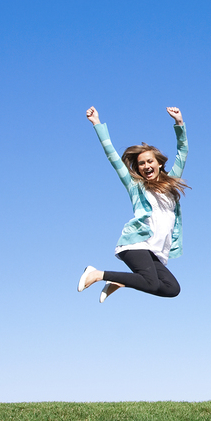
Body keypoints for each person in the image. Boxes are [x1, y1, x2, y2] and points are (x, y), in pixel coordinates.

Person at [78, 106, 189, 302]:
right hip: (136, 244)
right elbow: (113, 156)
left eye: (150, 161)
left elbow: (183, 152)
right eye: (141, 164)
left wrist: (179, 122)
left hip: (154, 249)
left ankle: (120, 281)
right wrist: (97, 123)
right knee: (151, 282)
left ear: (159, 163)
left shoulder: (171, 183)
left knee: (172, 289)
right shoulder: (135, 185)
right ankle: (96, 273)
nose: (146, 166)